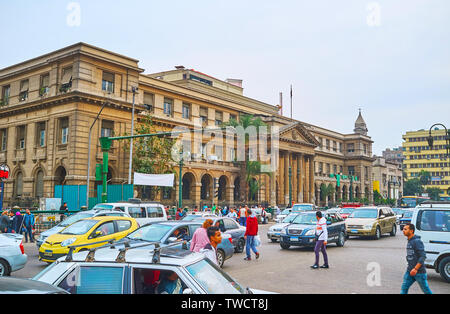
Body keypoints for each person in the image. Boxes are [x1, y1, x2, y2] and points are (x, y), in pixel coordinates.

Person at [400, 223, 432, 294]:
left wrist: (416, 269)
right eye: (403, 229)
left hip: (419, 272)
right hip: (409, 271)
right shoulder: (410, 240)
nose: (403, 231)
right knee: (404, 289)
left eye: (405, 229)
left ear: (411, 231)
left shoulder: (417, 241)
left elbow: (423, 256)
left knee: (426, 291)